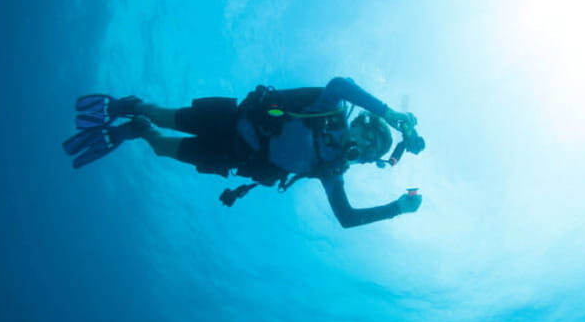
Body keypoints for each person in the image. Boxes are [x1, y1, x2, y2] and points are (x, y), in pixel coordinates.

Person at [63, 77, 425, 228]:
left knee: (159, 147)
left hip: (231, 158)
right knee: (165, 115)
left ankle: (136, 130)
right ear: (359, 124)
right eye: (367, 135)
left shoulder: (331, 171)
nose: (364, 147)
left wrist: (396, 208)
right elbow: (339, 84)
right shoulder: (329, 111)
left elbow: (346, 218)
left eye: (372, 150)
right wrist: (388, 113)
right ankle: (135, 107)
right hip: (230, 118)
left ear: (365, 161)